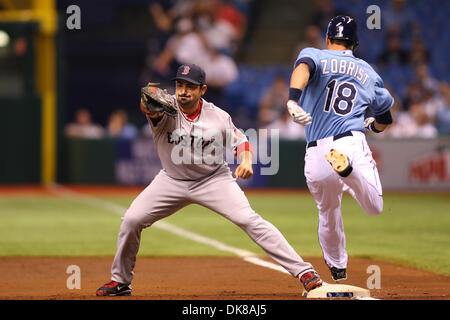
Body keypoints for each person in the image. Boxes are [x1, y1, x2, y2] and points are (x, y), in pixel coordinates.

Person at [96, 63, 323, 296]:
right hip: (171, 180)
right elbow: (148, 104)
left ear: (202, 90)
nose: (183, 91)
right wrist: (149, 98)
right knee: (131, 220)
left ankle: (304, 271)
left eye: (190, 87)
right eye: (179, 85)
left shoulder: (218, 116)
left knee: (249, 220)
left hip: (213, 180)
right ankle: (121, 281)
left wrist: (245, 161)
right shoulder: (165, 110)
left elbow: (242, 141)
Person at [287, 16, 394, 281]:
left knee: (328, 211)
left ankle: (337, 268)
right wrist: (371, 125)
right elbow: (385, 119)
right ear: (355, 43)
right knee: (374, 207)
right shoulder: (368, 72)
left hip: (316, 151)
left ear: (327, 38)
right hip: (349, 141)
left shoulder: (315, 54)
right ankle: (349, 172)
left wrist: (292, 101)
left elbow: (303, 68)